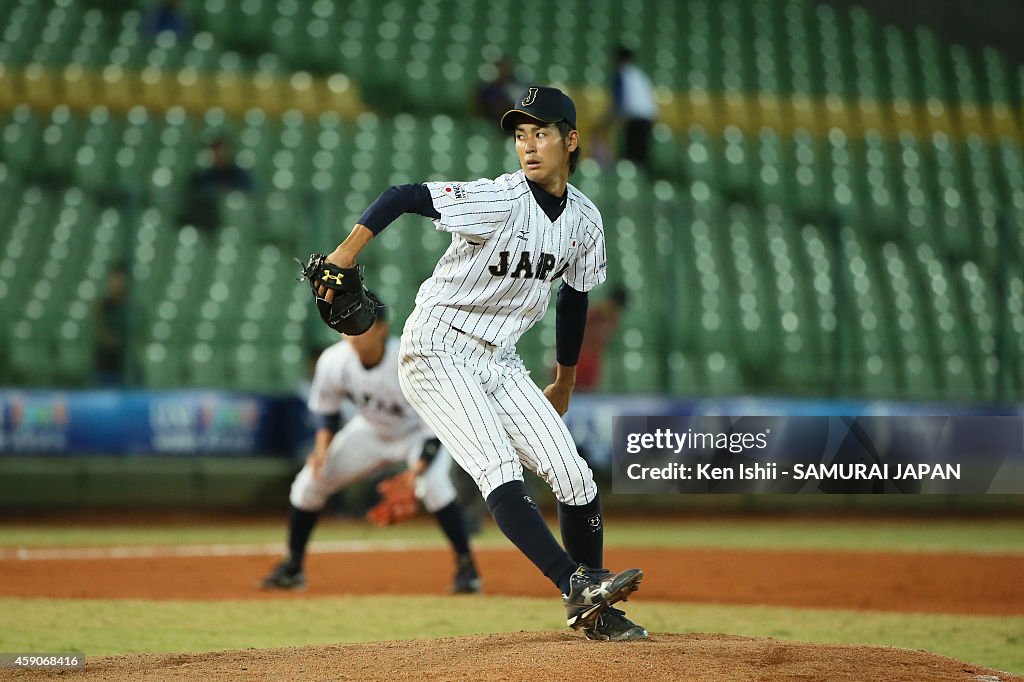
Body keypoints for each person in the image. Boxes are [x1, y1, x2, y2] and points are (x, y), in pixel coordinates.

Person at [314, 86, 647, 641]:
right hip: (438, 349)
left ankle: (595, 606)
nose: (529, 146)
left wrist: (564, 379)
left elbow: (575, 297)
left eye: (541, 133)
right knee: (498, 468)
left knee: (576, 478)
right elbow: (402, 195)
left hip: (502, 358)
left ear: (570, 140)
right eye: (520, 135)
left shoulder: (586, 220)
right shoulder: (499, 199)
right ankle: (576, 587)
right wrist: (345, 253)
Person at [262, 303, 482, 595]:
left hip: (418, 434)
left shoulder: (409, 361)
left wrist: (413, 475)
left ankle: (467, 569)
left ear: (381, 329)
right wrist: (321, 449)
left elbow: (435, 428)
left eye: (359, 324)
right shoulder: (334, 360)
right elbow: (327, 411)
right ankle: (292, 567)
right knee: (309, 482)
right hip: (371, 430)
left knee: (433, 485)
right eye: (345, 325)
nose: (351, 333)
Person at [602, 46, 657, 169]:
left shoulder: (621, 74)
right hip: (647, 119)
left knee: (632, 158)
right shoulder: (640, 75)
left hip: (634, 119)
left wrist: (606, 121)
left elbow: (619, 101)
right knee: (642, 157)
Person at [182, 135, 253, 232]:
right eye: (215, 152)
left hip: (233, 222)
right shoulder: (201, 177)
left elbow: (247, 194)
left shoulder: (240, 175)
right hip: (208, 223)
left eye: (222, 151)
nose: (219, 155)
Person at [573, 285, 629, 391]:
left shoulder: (613, 320)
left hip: (592, 363)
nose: (616, 312)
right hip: (576, 360)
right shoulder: (590, 313)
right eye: (615, 308)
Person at [92, 261, 132, 387]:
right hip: (106, 367)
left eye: (121, 279)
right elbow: (102, 335)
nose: (118, 283)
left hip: (129, 370)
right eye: (114, 279)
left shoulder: (132, 307)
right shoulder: (101, 306)